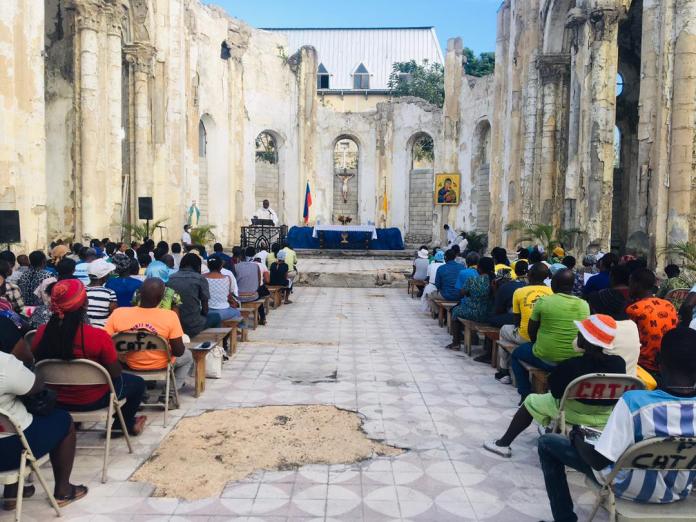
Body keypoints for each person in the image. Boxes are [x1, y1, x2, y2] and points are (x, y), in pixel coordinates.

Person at [536, 328, 696, 522]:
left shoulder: (635, 403)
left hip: (625, 487)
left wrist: (576, 438)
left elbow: (599, 461)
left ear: (658, 359)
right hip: (679, 492)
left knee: (547, 443)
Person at [484, 314, 626, 458]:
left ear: (586, 338)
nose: (577, 334)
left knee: (531, 402)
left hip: (572, 413)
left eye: (580, 332)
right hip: (604, 416)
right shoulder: (619, 363)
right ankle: (550, 429)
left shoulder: (573, 364)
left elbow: (556, 393)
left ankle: (503, 443)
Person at [32, 279, 146, 436]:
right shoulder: (97, 336)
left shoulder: (41, 333)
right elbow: (115, 373)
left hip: (55, 400)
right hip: (92, 400)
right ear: (85, 304)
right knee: (137, 383)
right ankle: (123, 424)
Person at [0, 351, 87, 509]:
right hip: (10, 450)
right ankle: (63, 490)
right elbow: (36, 386)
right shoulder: (4, 363)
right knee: (63, 420)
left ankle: (12, 492)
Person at [511, 269, 590, 400]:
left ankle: (525, 394)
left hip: (546, 358)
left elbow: (532, 330)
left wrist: (537, 343)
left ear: (554, 284)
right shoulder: (584, 305)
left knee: (516, 355)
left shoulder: (543, 302)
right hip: (573, 359)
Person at [105, 279, 192, 392]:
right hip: (161, 364)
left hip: (130, 364)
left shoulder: (119, 313)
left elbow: (105, 342)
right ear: (161, 298)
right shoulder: (170, 316)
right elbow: (178, 351)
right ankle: (169, 393)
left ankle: (140, 393)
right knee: (188, 356)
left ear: (139, 294)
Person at [496, 263, 553, 382]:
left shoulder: (520, 291)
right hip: (544, 337)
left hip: (525, 335)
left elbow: (517, 320)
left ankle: (504, 371)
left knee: (504, 329)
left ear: (530, 275)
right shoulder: (552, 291)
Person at [625, 268, 678, 383]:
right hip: (667, 364)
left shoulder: (634, 309)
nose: (628, 287)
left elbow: (628, 340)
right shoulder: (668, 305)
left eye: (630, 283)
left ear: (637, 285)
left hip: (644, 366)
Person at [585, 286, 640, 376]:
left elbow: (576, 346)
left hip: (602, 381)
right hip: (629, 382)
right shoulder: (632, 325)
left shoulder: (601, 326)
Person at [447, 257, 496, 350]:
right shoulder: (494, 281)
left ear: (479, 268)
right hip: (489, 314)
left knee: (456, 311)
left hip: (474, 312)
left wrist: (470, 293)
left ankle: (456, 342)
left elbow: (461, 293)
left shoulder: (472, 280)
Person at [167, 253, 219, 336]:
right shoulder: (200, 279)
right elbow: (205, 309)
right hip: (193, 326)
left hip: (175, 325)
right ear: (198, 266)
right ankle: (218, 346)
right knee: (216, 317)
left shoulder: (170, 278)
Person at [488, 261, 528, 328]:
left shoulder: (504, 287)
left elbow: (498, 309)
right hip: (525, 315)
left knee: (491, 319)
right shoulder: (523, 283)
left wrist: (495, 291)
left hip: (515, 317)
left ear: (499, 281)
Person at [204, 257, 243, 321]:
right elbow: (231, 293)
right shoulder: (227, 278)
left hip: (207, 311)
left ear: (208, 266)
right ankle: (240, 328)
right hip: (223, 311)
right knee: (238, 313)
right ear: (221, 266)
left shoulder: (202, 277)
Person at [428, 249, 465, 314]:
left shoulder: (441, 268)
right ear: (455, 257)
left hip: (445, 295)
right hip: (459, 295)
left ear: (445, 257)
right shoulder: (462, 267)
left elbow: (437, 285)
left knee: (430, 296)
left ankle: (438, 313)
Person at [235, 251, 267, 326]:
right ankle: (263, 317)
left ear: (238, 258)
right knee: (259, 296)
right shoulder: (256, 266)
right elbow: (259, 282)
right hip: (253, 296)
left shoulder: (235, 266)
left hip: (238, 297)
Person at [85, 259, 118, 328]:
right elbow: (113, 315)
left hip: (85, 330)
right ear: (104, 277)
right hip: (103, 331)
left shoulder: (82, 290)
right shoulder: (110, 293)